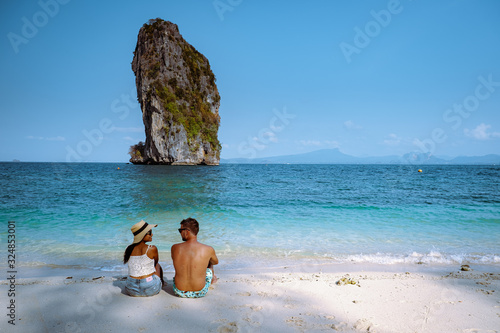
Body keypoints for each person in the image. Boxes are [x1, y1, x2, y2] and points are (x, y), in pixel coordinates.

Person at [171, 218, 219, 298]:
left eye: (180, 230)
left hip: (179, 291)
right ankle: (213, 279)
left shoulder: (174, 248)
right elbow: (215, 262)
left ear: (186, 232)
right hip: (200, 292)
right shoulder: (208, 249)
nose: (180, 233)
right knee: (210, 264)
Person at [123, 220, 164, 297]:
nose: (152, 234)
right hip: (150, 289)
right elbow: (155, 263)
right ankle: (161, 283)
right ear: (142, 234)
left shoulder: (128, 249)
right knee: (157, 265)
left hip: (131, 289)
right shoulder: (152, 248)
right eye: (149, 232)